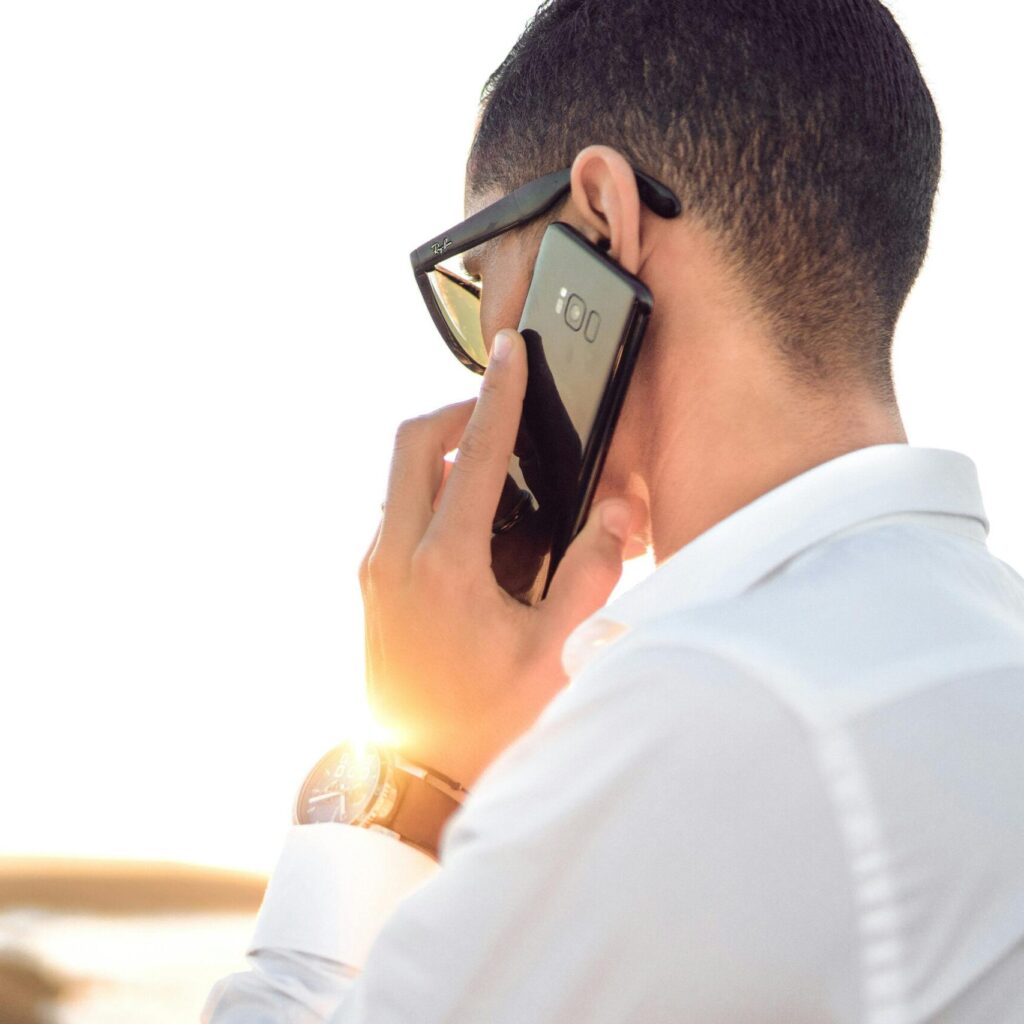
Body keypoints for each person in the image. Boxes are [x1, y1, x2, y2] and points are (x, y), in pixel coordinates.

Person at [203, 1, 1024, 1020]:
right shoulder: (982, 645)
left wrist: (411, 782)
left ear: (599, 224)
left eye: (479, 284)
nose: (480, 354)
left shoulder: (705, 715)